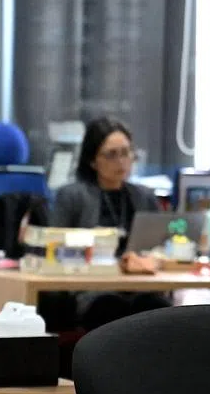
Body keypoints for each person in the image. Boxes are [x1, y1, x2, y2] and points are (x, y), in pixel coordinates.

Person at [49, 117, 170, 333]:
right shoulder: (72, 196)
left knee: (157, 308)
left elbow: (160, 245)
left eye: (126, 153)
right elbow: (54, 250)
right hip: (90, 287)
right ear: (93, 161)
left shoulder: (144, 197)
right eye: (111, 154)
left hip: (138, 285)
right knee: (109, 307)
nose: (121, 161)